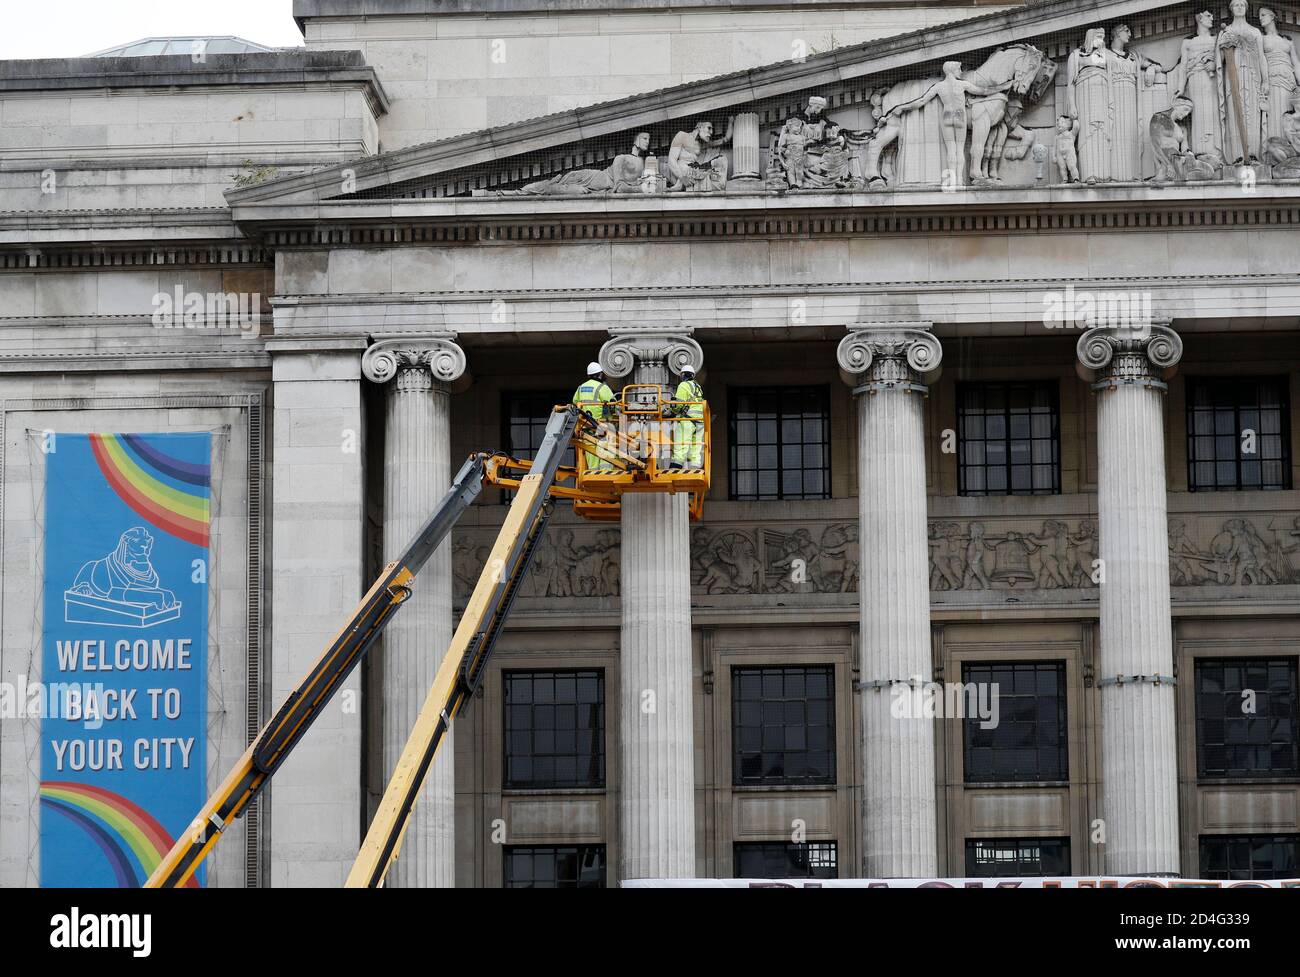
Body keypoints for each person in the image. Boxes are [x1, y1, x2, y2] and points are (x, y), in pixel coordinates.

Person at [573, 362, 615, 471]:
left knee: (590, 451)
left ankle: (593, 472)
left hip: (585, 426)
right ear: (600, 374)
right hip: (600, 424)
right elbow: (613, 403)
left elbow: (575, 402)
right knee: (605, 447)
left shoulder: (581, 387)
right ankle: (605, 473)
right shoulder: (602, 387)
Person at [669, 366, 705, 470]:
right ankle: (695, 468)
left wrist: (672, 410)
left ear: (683, 375)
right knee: (696, 448)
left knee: (681, 445)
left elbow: (679, 404)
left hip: (687, 420)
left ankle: (675, 467)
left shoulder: (684, 385)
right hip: (700, 422)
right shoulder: (698, 387)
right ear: (693, 375)